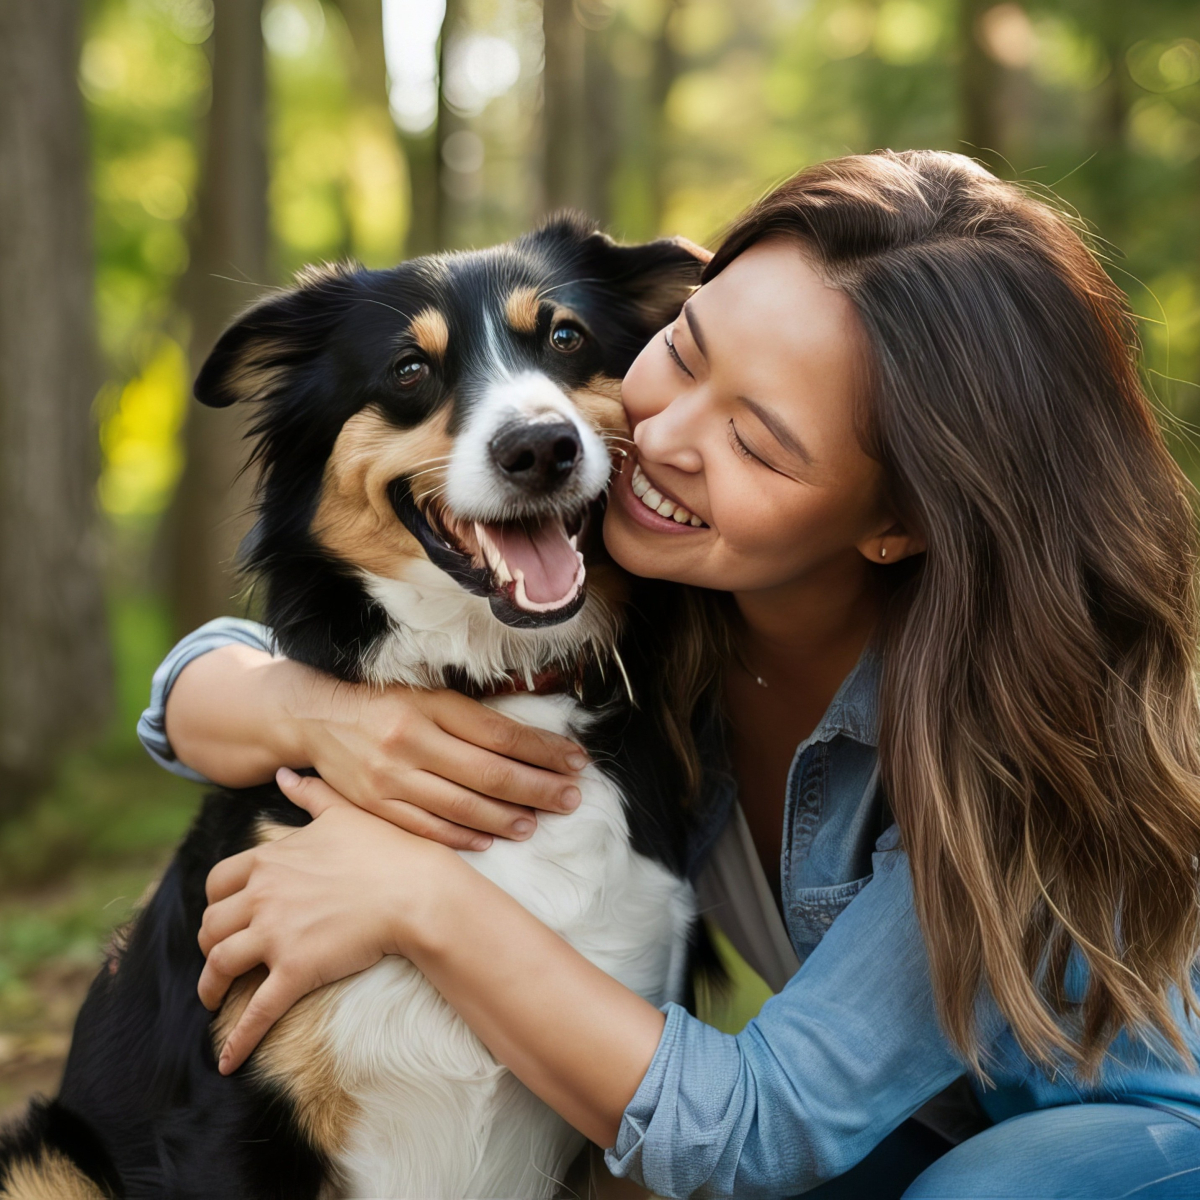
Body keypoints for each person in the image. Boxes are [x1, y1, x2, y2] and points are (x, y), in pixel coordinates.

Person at [139, 150, 1200, 1198]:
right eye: (686, 354)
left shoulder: (1015, 726)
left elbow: (757, 1124)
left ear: (898, 521)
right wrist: (303, 711)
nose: (667, 439)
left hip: (1125, 1140)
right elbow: (199, 680)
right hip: (896, 1121)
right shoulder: (649, 598)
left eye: (757, 439)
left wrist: (421, 898)